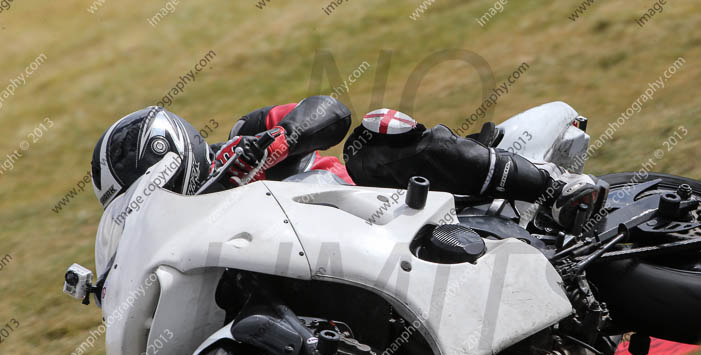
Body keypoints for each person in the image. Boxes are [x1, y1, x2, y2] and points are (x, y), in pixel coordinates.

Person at [90, 96, 600, 228]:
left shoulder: (244, 139)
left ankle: (552, 187)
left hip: (388, 206)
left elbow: (330, 110)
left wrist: (281, 140)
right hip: (338, 263)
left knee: (379, 134)